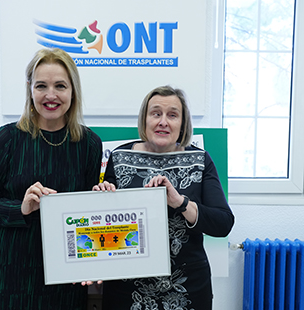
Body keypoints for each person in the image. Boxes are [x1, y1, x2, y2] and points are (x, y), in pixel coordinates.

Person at [0, 48, 103, 310]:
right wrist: (21, 207)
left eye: (60, 86)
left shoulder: (89, 144)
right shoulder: (7, 138)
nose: (50, 95)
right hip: (9, 270)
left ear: (72, 91)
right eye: (41, 85)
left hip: (65, 275)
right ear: (30, 89)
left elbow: (88, 214)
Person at [93, 85, 235, 310]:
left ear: (183, 124)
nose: (163, 122)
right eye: (156, 113)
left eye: (172, 115)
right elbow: (105, 225)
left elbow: (223, 223)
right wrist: (100, 202)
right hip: (127, 291)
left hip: (188, 289)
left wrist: (180, 203)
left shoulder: (200, 160)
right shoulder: (119, 157)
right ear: (145, 119)